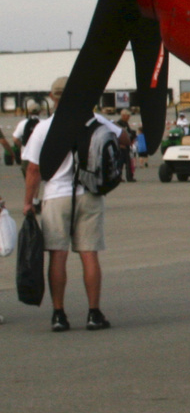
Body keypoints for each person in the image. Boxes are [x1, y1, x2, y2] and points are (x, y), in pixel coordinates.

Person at [22, 77, 118, 331]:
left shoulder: (44, 128)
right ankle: (94, 313)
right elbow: (123, 140)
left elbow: (32, 169)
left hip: (56, 195)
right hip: (90, 193)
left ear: (53, 98)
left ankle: (58, 315)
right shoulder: (93, 121)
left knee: (58, 255)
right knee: (89, 254)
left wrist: (29, 202)